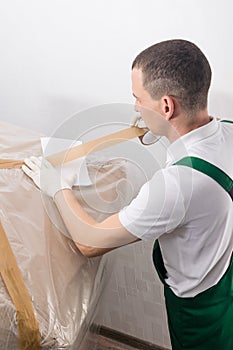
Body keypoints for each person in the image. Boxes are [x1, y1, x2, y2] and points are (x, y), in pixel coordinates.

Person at [22, 39, 233, 350]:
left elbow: (89, 241)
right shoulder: (227, 130)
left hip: (203, 316)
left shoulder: (175, 185)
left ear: (166, 106)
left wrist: (57, 185)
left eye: (138, 98)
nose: (135, 107)